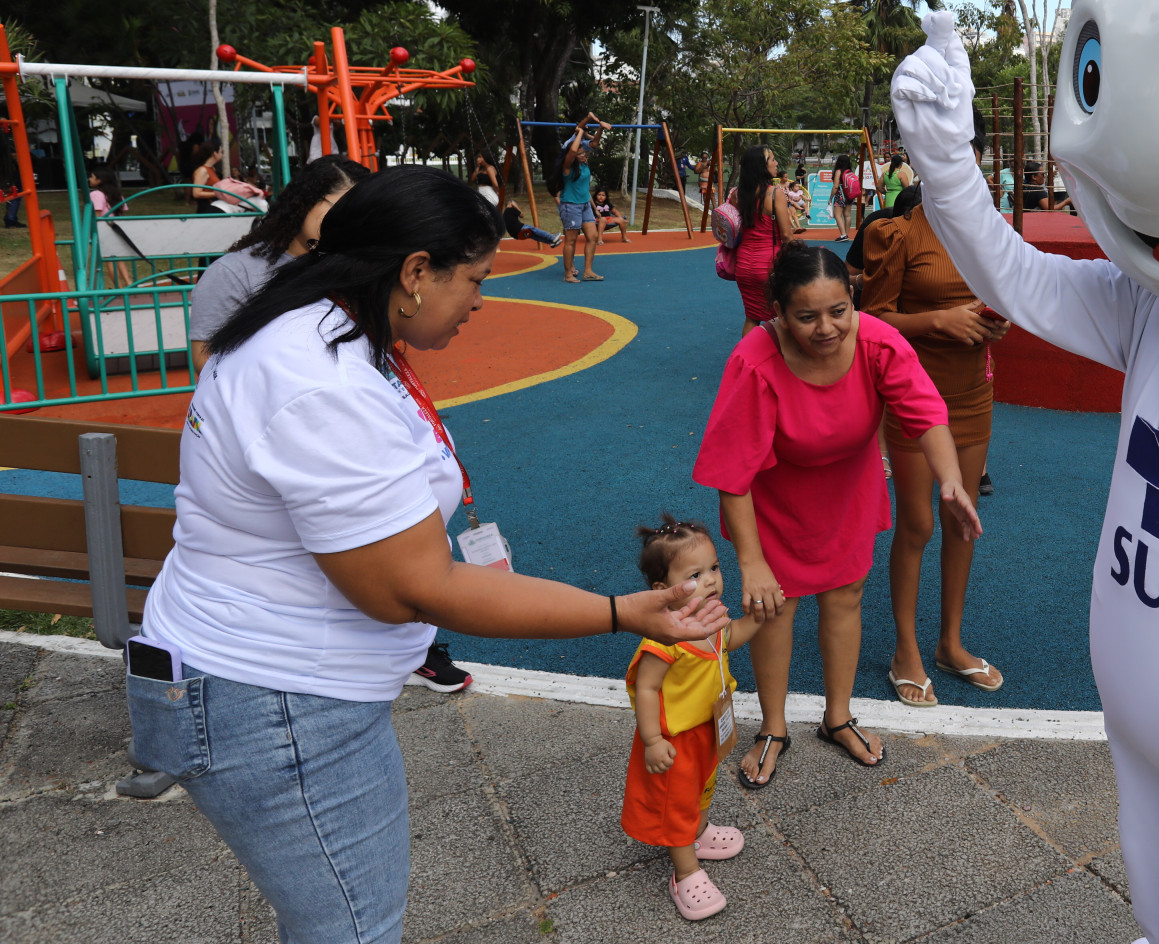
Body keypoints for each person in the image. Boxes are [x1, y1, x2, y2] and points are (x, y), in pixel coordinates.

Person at [130, 165, 730, 941]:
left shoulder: (316, 330)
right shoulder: (323, 384)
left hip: (260, 684)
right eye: (473, 279)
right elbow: (409, 590)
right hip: (277, 701)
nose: (480, 300)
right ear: (415, 272)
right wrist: (620, 612)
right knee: (353, 928)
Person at [691, 243, 974, 787]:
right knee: (775, 605)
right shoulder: (754, 360)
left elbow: (925, 412)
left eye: (838, 310)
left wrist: (950, 480)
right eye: (806, 316)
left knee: (845, 596)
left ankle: (837, 716)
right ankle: (773, 727)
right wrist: (750, 563)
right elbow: (732, 474)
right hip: (775, 499)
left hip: (847, 489)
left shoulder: (877, 340)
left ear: (853, 299)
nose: (826, 328)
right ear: (777, 312)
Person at [862, 120, 1010, 707]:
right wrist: (937, 321)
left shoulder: (986, 234)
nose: (964, 174)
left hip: (973, 393)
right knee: (918, 525)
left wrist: (993, 322)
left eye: (971, 164)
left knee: (960, 519)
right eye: (951, 163)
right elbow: (872, 320)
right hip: (915, 397)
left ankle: (950, 643)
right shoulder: (898, 234)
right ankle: (906, 648)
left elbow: (1006, 301)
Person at [623, 517, 763, 921]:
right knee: (676, 805)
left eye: (714, 569)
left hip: (705, 730)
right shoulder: (664, 637)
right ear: (662, 591)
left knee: (702, 789)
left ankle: (699, 834)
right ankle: (685, 871)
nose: (711, 580)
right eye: (695, 575)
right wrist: (652, 740)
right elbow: (647, 688)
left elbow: (731, 637)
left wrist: (759, 615)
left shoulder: (710, 618)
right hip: (674, 739)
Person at [188, 156, 370, 370]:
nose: (347, 223)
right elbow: (206, 360)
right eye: (340, 209)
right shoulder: (233, 272)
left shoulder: (355, 270)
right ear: (307, 200)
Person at [730, 145, 797, 336]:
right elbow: (786, 235)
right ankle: (776, 360)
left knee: (752, 316)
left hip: (743, 264)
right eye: (772, 160)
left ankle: (747, 358)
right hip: (769, 265)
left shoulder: (737, 194)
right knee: (778, 318)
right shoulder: (775, 194)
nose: (776, 163)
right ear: (762, 165)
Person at [556, 114, 605, 283]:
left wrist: (600, 129)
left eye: (584, 153)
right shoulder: (567, 167)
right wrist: (578, 132)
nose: (584, 155)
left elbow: (595, 144)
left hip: (584, 205)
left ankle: (588, 271)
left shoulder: (584, 165)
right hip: (571, 206)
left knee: (592, 237)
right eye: (581, 153)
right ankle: (568, 274)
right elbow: (571, 150)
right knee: (571, 240)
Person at [830, 155, 860, 241]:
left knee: (837, 215)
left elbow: (835, 186)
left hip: (840, 194)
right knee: (847, 215)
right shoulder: (849, 171)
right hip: (849, 195)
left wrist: (830, 198)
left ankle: (843, 234)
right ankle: (846, 234)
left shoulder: (838, 171)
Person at [190, 141, 223, 213]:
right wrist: (217, 194)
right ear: (215, 153)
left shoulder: (212, 169)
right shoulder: (202, 171)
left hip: (213, 206)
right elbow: (196, 193)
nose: (222, 155)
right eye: (221, 152)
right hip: (206, 209)